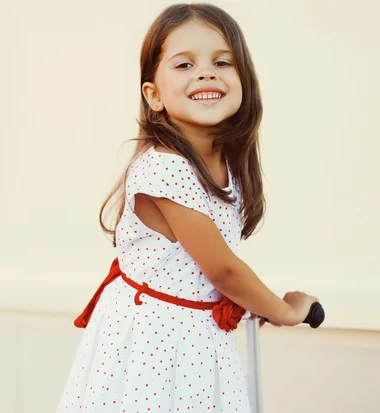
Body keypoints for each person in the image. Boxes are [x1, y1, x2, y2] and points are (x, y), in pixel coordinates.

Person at [56, 3, 319, 412]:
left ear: (243, 80)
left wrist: (255, 301)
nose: (206, 72)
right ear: (154, 95)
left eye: (222, 61)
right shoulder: (164, 168)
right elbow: (223, 269)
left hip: (195, 336)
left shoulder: (225, 165)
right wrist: (286, 310)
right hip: (156, 343)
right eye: (184, 64)